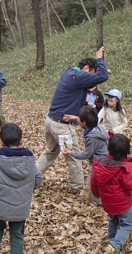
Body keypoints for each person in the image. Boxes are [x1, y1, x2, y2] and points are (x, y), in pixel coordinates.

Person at [36, 46, 109, 190]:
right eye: (91, 73)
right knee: (73, 156)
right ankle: (76, 186)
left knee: (50, 151)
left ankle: (32, 177)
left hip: (51, 121)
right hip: (62, 127)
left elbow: (92, 82)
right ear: (86, 68)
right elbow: (103, 77)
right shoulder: (79, 77)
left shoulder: (69, 72)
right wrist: (100, 58)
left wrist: (97, 73)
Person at [0, 123, 42, 254]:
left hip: (0, 204)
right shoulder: (30, 160)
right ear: (21, 141)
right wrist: (28, 188)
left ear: (1, 142)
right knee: (17, 233)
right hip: (21, 206)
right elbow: (38, 179)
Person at [91, 134, 132, 254]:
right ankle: (115, 245)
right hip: (123, 204)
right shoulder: (124, 168)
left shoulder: (100, 164)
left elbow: (94, 182)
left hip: (108, 202)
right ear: (127, 150)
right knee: (127, 225)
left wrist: (96, 194)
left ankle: (112, 237)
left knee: (113, 220)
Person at [62, 106, 109, 204]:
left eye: (79, 118)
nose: (77, 118)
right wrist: (75, 118)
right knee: (104, 184)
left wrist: (71, 152)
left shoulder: (92, 138)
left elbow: (86, 155)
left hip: (99, 163)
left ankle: (104, 203)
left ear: (84, 123)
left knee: (91, 186)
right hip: (106, 160)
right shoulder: (97, 126)